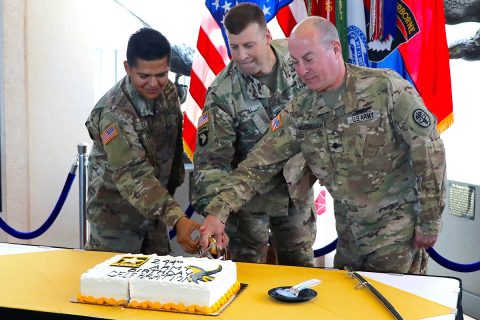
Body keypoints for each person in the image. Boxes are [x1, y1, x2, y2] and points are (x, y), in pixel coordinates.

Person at [200, 16, 447, 274]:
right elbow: (258, 163)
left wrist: (430, 220)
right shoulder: (301, 109)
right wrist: (218, 212)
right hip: (349, 238)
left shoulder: (386, 89)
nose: (302, 70)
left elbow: (429, 152)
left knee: (391, 309)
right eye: (295, 62)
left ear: (335, 49)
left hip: (396, 236)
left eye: (309, 59)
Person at [192, 3, 316, 266]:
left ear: (267, 37)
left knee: (300, 273)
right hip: (248, 202)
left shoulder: (297, 60)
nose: (241, 55)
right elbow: (211, 165)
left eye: (249, 45)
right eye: (234, 47)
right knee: (247, 276)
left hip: (296, 191)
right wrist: (217, 214)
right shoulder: (222, 94)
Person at [85, 28, 200, 255]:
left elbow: (173, 149)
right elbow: (134, 176)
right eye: (144, 76)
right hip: (116, 221)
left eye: (161, 74)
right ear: (128, 68)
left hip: (154, 211)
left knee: (159, 282)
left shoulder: (168, 92)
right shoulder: (115, 113)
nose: (154, 83)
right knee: (112, 287)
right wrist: (179, 219)